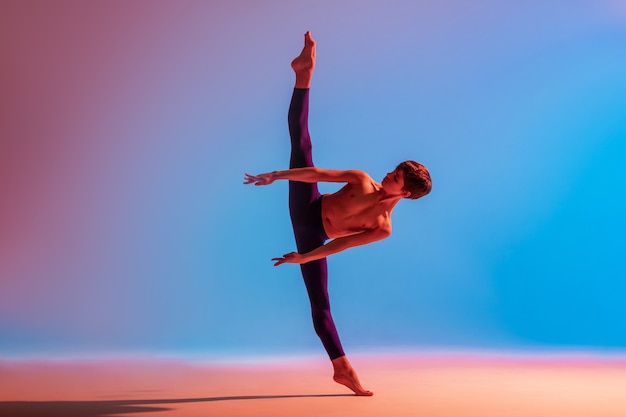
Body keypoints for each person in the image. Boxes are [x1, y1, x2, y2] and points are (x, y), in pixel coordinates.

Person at [244, 31, 431, 396]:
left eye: (394, 178)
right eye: (392, 170)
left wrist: (305, 257)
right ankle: (304, 74)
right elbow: (315, 173)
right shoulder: (362, 180)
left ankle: (342, 369)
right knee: (301, 144)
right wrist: (276, 175)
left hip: (314, 238)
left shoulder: (382, 228)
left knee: (321, 305)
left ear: (404, 193)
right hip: (308, 203)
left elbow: (338, 247)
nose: (386, 175)